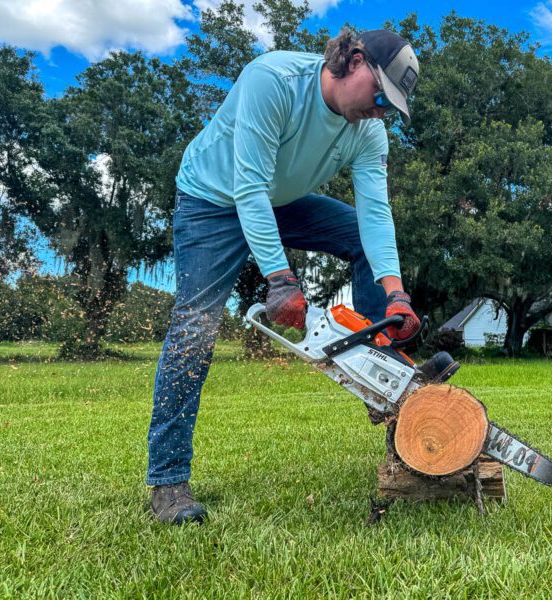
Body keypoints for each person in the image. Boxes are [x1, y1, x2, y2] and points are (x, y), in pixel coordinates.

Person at [147, 28, 422, 524]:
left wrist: (395, 295)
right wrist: (280, 280)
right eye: (380, 95)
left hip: (279, 197)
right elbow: (247, 188)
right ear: (354, 60)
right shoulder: (272, 80)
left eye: (390, 105)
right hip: (213, 199)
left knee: (360, 237)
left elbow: (376, 216)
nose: (380, 110)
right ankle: (168, 482)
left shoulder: (368, 130)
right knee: (194, 330)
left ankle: (377, 367)